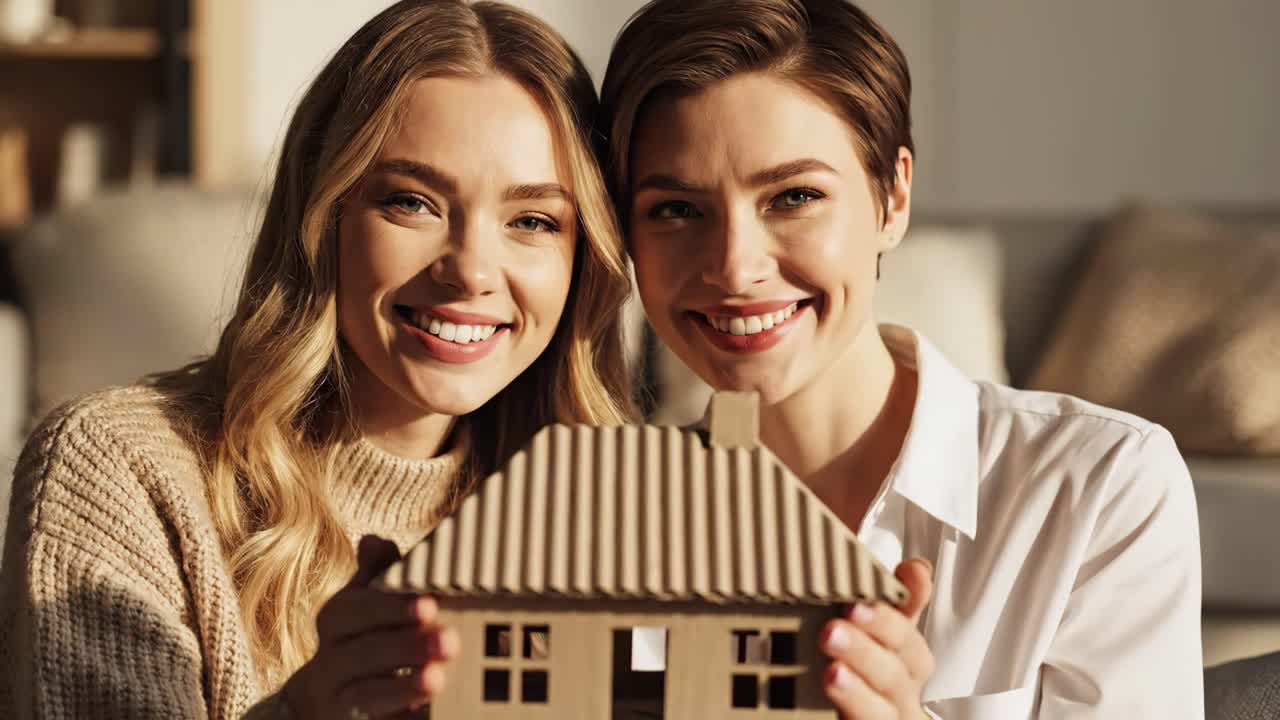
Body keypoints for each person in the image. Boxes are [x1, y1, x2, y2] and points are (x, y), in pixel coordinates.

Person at [0, 1, 635, 718]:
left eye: (533, 220)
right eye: (412, 202)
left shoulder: (603, 515)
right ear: (322, 214)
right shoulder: (119, 469)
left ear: (585, 258)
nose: (471, 271)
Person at [601, 1, 1203, 717]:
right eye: (675, 209)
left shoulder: (1098, 485)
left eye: (794, 197)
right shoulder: (605, 526)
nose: (734, 267)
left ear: (892, 198)